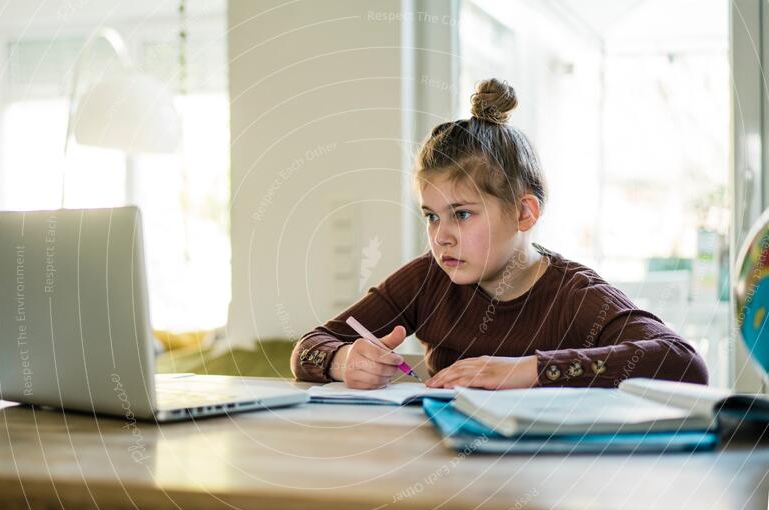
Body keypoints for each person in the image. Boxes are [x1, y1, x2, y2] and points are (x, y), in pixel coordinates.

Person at [291, 78, 708, 390]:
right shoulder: (427, 280)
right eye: (431, 217)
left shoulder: (574, 296)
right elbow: (309, 346)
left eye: (462, 214)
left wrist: (526, 370)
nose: (441, 237)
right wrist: (342, 360)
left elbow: (684, 364)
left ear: (524, 213)